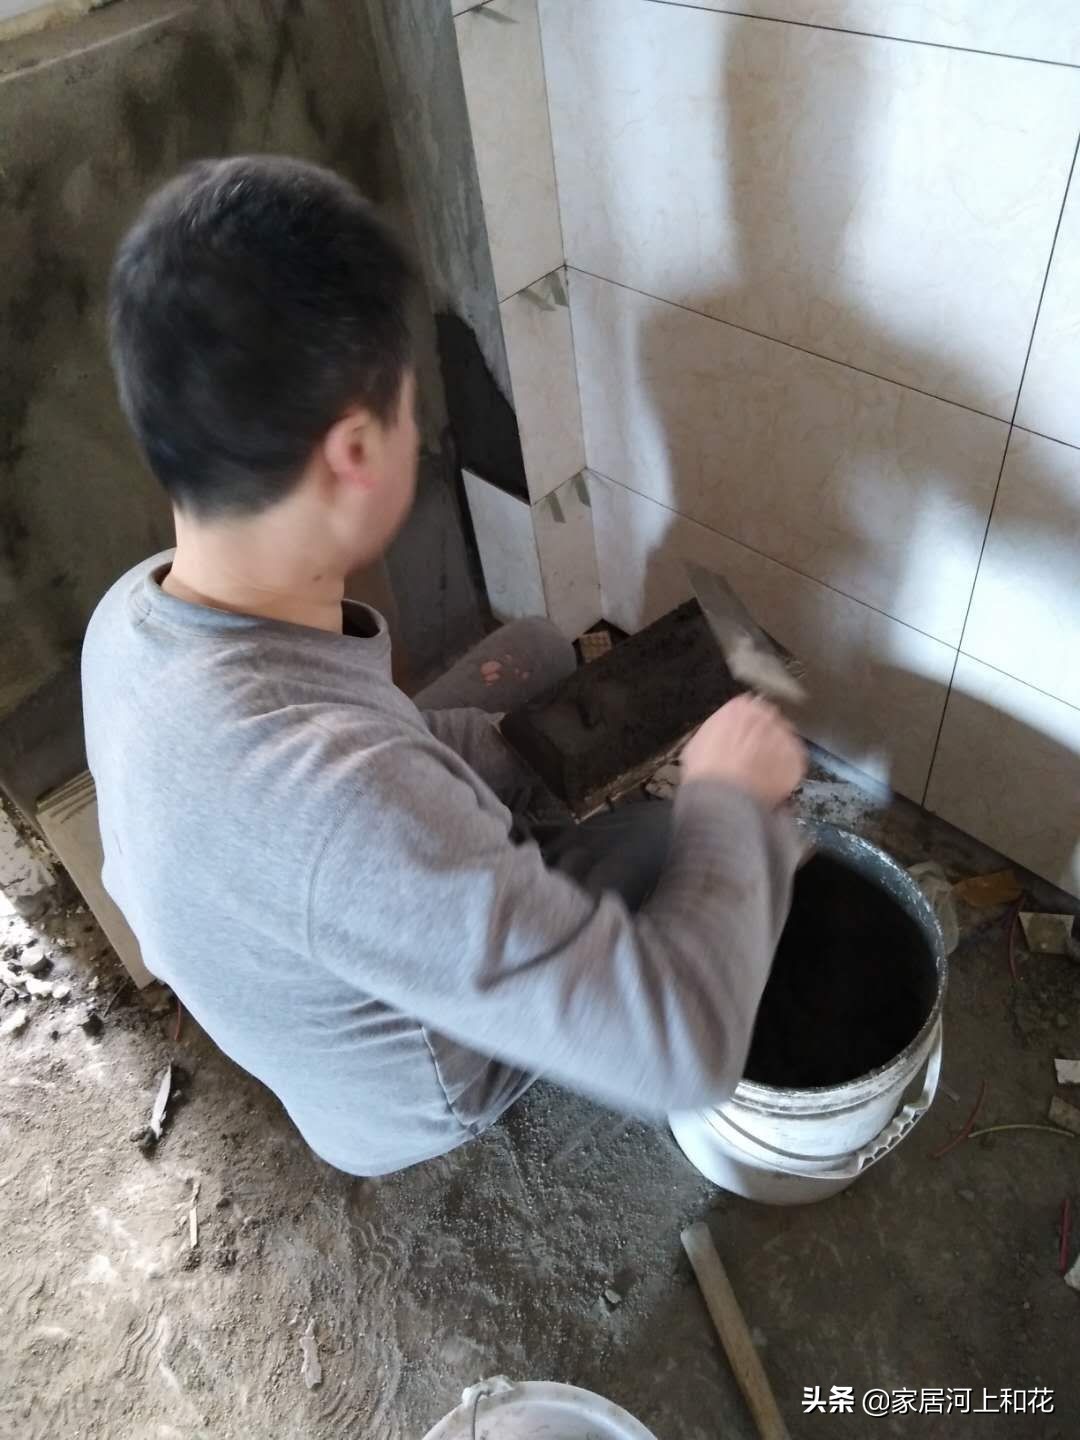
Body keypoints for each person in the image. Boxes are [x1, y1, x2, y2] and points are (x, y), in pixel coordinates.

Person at [83, 156, 806, 1178]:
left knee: (537, 655)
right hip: (413, 1094)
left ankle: (512, 855)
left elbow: (364, 761)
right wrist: (732, 806)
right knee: (671, 841)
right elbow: (684, 1053)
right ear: (354, 453)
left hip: (294, 894)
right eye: (407, 406)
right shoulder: (343, 804)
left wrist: (469, 782)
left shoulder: (135, 611)